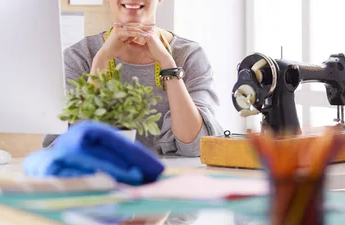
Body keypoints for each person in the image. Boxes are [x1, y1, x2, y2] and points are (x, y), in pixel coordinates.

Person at [43, 0, 223, 157]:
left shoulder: (189, 55)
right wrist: (102, 59)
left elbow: (195, 145)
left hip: (168, 184)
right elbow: (74, 144)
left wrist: (167, 63)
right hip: (95, 181)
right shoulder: (78, 57)